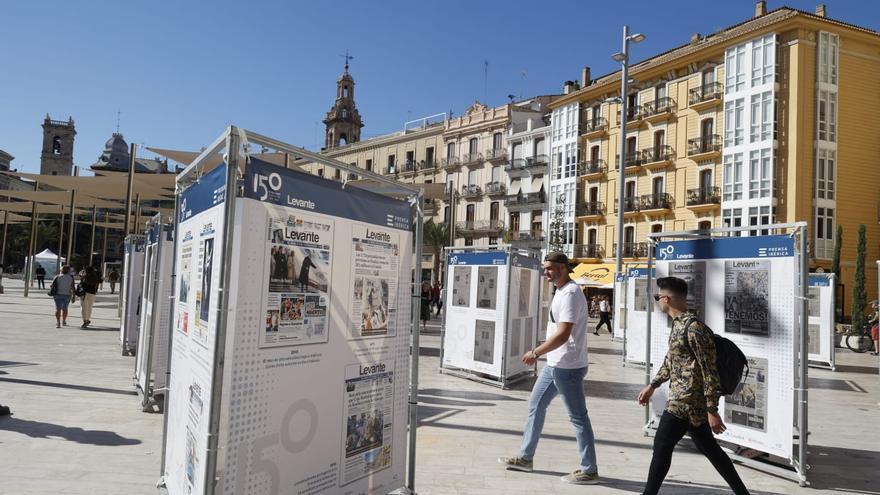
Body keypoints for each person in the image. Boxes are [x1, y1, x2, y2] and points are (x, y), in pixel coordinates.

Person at [636, 276, 750, 495]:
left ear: (667, 298)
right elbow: (672, 362)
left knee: (661, 447)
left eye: (658, 297)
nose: (657, 301)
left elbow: (710, 372)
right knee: (710, 449)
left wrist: (712, 410)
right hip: (686, 401)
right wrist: (652, 386)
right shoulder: (678, 325)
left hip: (686, 403)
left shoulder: (695, 329)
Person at [498, 251, 599, 485]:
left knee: (578, 418)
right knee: (536, 406)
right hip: (554, 364)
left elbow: (563, 334)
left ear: (563, 268)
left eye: (549, 268)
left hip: (568, 367)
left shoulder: (572, 293)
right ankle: (525, 458)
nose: (545, 272)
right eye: (545, 268)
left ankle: (590, 469)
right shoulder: (561, 291)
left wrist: (535, 352)